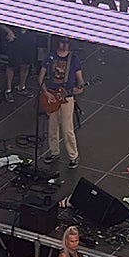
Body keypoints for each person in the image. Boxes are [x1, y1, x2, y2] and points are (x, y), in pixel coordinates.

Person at [37, 37, 84, 168]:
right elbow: (40, 77)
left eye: (67, 42)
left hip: (66, 97)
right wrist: (46, 93)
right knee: (52, 127)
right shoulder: (50, 57)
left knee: (67, 128)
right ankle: (54, 152)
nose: (65, 45)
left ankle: (73, 156)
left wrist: (79, 88)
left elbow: (80, 80)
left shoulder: (73, 60)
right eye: (63, 42)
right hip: (51, 95)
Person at [0, 25, 36, 103]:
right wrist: (9, 31)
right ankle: (8, 89)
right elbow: (0, 22)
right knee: (12, 64)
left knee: (26, 64)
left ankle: (21, 87)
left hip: (28, 38)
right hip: (15, 36)